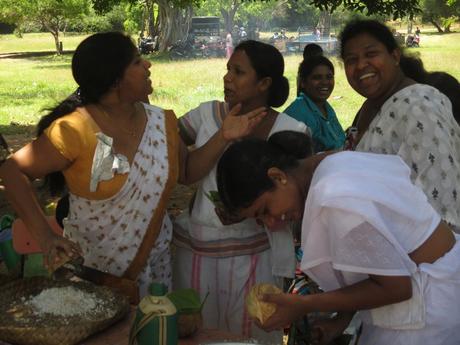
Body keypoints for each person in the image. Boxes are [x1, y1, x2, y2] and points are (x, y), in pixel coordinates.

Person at [0, 32, 265, 298]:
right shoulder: (74, 129)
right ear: (116, 79)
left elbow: (186, 171)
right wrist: (46, 237)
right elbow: (12, 171)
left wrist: (223, 136)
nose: (148, 65)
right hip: (94, 274)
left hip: (155, 272)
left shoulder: (162, 122)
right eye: (137, 62)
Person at [216, 131, 460, 345]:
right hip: (430, 287)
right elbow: (375, 265)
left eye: (265, 210)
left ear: (278, 177)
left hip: (429, 306)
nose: (271, 222)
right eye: (260, 221)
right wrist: (341, 321)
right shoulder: (327, 163)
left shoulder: (334, 197)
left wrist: (303, 305)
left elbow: (396, 288)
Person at [172, 40, 308, 342]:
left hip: (256, 258)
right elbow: (185, 172)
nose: (227, 78)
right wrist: (223, 137)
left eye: (238, 71)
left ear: (264, 83)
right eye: (227, 70)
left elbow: (294, 203)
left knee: (251, 333)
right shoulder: (206, 116)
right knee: (199, 331)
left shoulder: (290, 130)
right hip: (199, 252)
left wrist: (250, 213)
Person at [340, 19, 460, 233]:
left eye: (370, 54)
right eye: (351, 60)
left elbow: (443, 207)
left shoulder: (419, 106)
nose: (360, 65)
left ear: (394, 56)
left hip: (423, 260)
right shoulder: (372, 106)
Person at [284, 55, 345, 152]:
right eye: (317, 78)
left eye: (329, 77)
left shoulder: (325, 107)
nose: (325, 82)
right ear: (303, 82)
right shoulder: (297, 114)